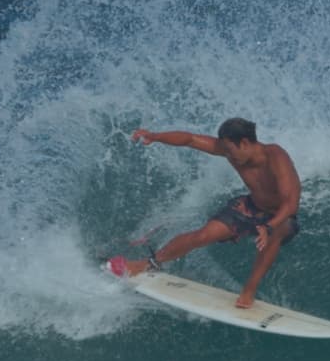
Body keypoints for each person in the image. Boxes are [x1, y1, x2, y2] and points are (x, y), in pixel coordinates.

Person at [109, 118, 301, 309]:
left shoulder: (276, 157)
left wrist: (268, 226)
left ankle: (249, 289)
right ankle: (150, 263)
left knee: (280, 230)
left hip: (280, 216)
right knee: (203, 235)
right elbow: (190, 139)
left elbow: (290, 204)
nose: (227, 156)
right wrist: (155, 136)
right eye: (224, 150)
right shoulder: (231, 149)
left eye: (229, 151)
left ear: (244, 143)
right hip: (251, 206)